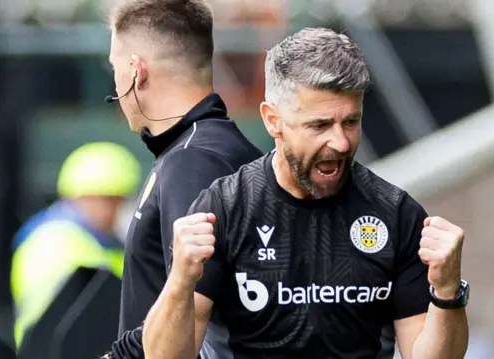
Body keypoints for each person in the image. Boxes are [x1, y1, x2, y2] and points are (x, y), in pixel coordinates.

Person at [142, 27, 470, 359]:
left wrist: (447, 291)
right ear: (273, 121)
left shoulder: (396, 214)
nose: (341, 142)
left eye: (351, 122)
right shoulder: (225, 209)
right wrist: (181, 281)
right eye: (320, 125)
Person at [104, 0, 263, 356]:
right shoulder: (212, 149)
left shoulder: (193, 160)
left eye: (114, 66)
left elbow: (192, 318)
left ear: (135, 71)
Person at [11, 142, 141, 349]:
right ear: (95, 199)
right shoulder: (55, 241)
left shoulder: (97, 240)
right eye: (116, 201)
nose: (120, 210)